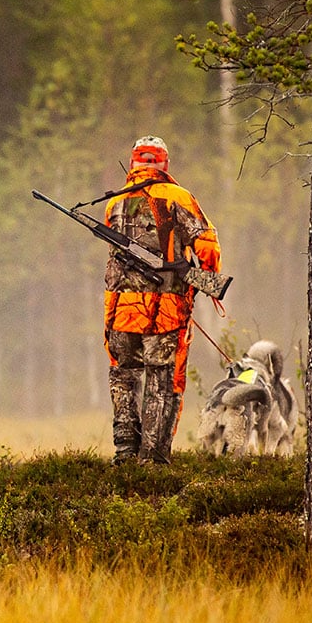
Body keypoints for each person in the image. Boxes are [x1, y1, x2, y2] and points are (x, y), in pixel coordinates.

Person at [103, 136, 222, 464]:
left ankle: (125, 452)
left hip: (119, 312)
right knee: (161, 379)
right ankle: (152, 460)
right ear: (164, 164)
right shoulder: (179, 197)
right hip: (163, 312)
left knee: (123, 375)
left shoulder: (114, 204)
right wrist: (202, 277)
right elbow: (208, 247)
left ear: (133, 163)